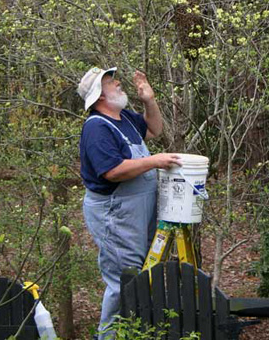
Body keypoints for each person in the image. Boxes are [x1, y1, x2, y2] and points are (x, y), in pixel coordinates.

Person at [77, 66, 181, 339]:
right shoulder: (96, 128)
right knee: (123, 279)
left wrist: (149, 100)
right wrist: (155, 161)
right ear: (100, 95)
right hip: (115, 213)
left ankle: (133, 333)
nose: (119, 84)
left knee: (140, 276)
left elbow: (154, 129)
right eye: (112, 82)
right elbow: (112, 171)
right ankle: (109, 336)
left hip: (138, 211)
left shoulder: (122, 117)